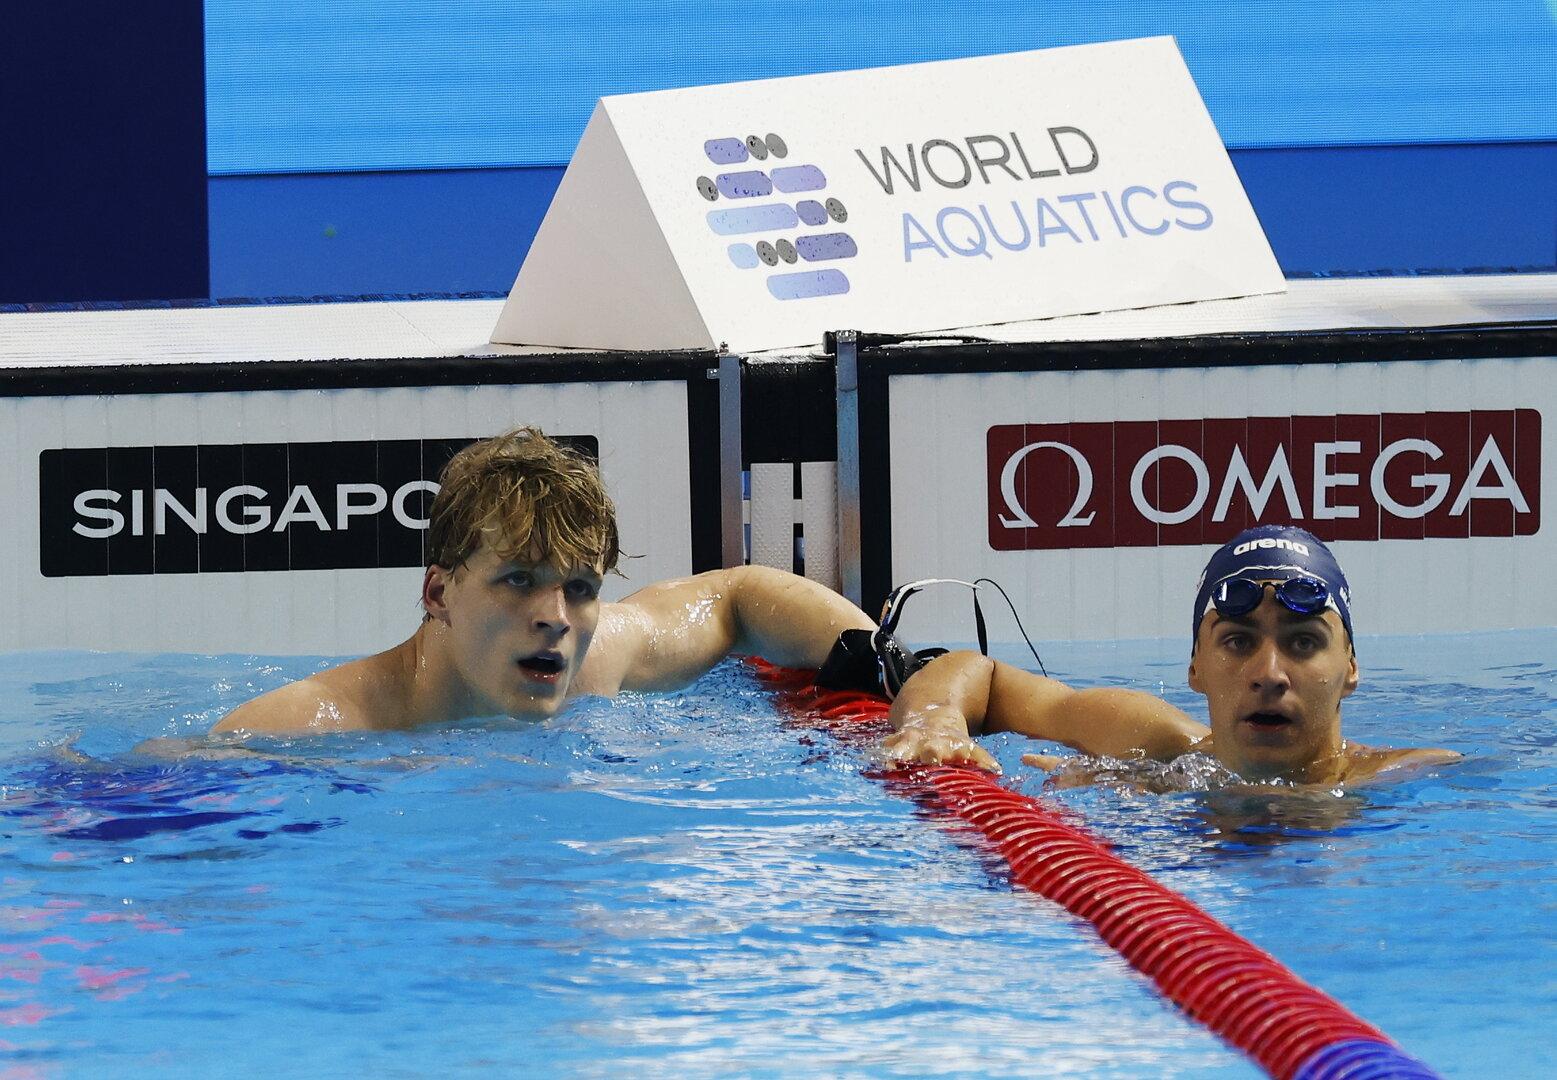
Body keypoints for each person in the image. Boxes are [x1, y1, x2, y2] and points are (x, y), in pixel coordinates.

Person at [214, 428, 874, 735]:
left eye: (580, 588)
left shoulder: (598, 659)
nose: (555, 616)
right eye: (518, 580)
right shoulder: (312, 725)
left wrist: (873, 660)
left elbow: (736, 595)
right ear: (438, 594)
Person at [882, 525, 1460, 786]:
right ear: (1195, 667)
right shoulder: (1159, 746)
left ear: (1351, 668)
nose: (1269, 674)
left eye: (1303, 641)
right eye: (1237, 641)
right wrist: (935, 719)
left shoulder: (1407, 779)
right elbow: (975, 672)